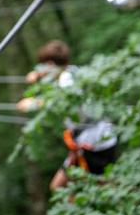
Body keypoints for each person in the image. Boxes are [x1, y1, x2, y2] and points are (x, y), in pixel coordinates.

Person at [17, 40, 117, 191]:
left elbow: (62, 99)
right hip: (98, 137)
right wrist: (38, 75)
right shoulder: (72, 71)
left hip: (94, 141)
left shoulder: (66, 80)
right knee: (65, 186)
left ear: (50, 65)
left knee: (98, 187)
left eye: (42, 66)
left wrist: (33, 103)